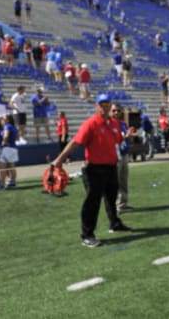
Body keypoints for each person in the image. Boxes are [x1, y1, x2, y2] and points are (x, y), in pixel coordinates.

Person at [51, 93, 131, 248]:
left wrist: (126, 137)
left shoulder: (114, 124)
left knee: (111, 198)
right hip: (94, 168)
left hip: (111, 167)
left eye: (107, 105)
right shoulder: (91, 124)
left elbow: (117, 141)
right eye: (102, 105)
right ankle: (87, 235)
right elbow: (75, 142)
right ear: (96, 106)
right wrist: (60, 159)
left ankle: (114, 223)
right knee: (92, 202)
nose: (105, 107)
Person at [111, 103, 136, 213]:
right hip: (114, 156)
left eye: (118, 110)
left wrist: (130, 137)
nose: (116, 112)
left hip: (124, 154)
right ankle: (114, 206)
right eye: (114, 110)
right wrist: (125, 136)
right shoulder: (109, 125)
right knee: (114, 181)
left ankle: (123, 204)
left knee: (123, 180)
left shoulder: (123, 124)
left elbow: (126, 140)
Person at [0, 114, 19, 189]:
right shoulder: (13, 126)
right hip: (13, 147)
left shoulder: (7, 126)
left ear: (7, 120)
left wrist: (3, 142)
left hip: (8, 147)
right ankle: (13, 182)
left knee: (2, 166)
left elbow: (6, 136)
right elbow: (17, 137)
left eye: (3, 119)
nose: (2, 120)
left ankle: (2, 184)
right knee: (12, 166)